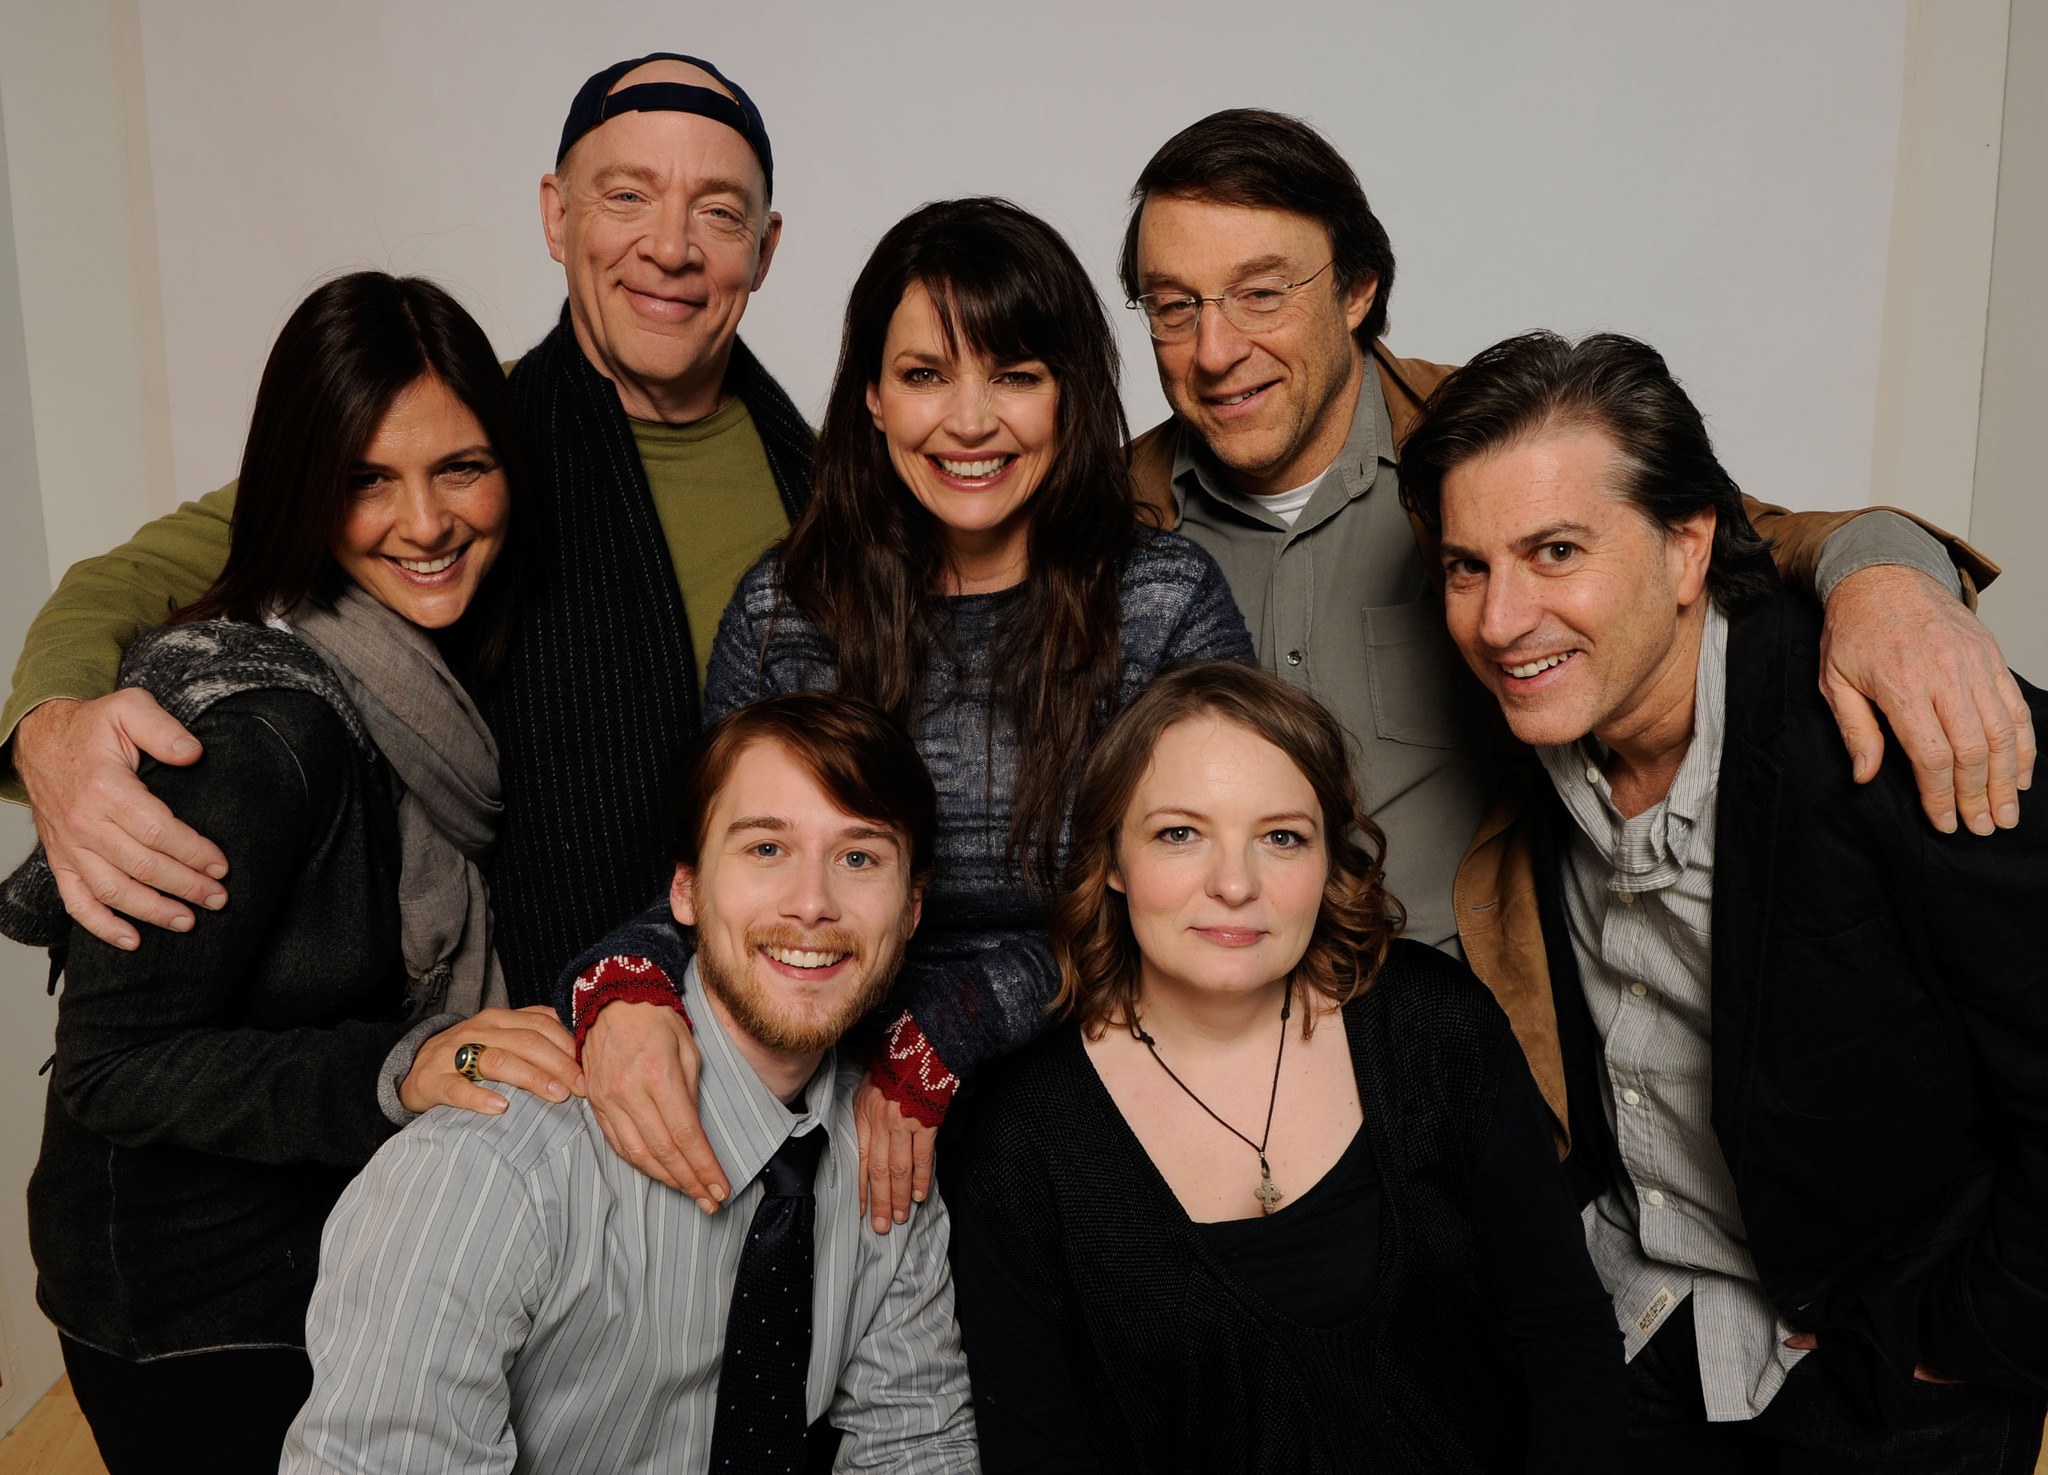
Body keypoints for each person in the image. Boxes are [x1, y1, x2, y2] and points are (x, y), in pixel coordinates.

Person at [1116, 108, 2033, 992]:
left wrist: (1888, 583)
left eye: (1262, 293)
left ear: (1357, 292)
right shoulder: (1105, 521)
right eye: (1173, 306)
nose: (1215, 349)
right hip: (1208, 1038)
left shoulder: (1483, 450)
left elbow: (1735, 532)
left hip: (1484, 1044)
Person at [0, 52, 811, 1019]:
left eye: (718, 212)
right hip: (540, 1031)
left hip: (790, 1011)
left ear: (763, 248)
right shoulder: (469, 439)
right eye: (628, 195)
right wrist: (49, 728)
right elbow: (131, 575)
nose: (670, 247)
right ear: (558, 214)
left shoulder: (835, 485)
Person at [1401, 329, 2048, 1470]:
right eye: (1466, 565)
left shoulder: (1893, 715)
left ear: (1687, 545)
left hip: (1877, 1375)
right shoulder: (1544, 749)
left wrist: (1965, 1333)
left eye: (1555, 550)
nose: (1499, 620)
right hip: (1640, 1321)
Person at [564, 197, 1255, 1229]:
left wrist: (950, 1022)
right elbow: (718, 876)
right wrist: (618, 986)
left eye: (1013, 375)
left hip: (1105, 1060)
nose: (967, 420)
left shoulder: (1159, 602)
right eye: (924, 375)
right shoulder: (784, 609)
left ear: (1070, 394)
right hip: (824, 1051)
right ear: (873, 400)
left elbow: (1209, 898)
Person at [3, 273, 585, 1475]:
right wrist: (402, 1061)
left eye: (460, 467)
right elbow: (114, 1067)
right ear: (302, 485)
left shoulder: (425, 678)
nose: (423, 521)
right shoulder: (262, 729)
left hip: (326, 1247)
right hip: (189, 1307)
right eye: (369, 478)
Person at [944, 661, 1624, 1473]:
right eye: (1179, 833)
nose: (1235, 884)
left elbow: (1566, 1339)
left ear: (1330, 857)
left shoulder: (1434, 1026)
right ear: (1113, 860)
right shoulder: (1019, 1144)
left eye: (1281, 837)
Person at [282, 693, 980, 1474]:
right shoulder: (491, 1169)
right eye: (765, 850)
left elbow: (916, 1447)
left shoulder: (882, 1151)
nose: (812, 903)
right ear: (683, 892)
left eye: (859, 858)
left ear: (912, 909)